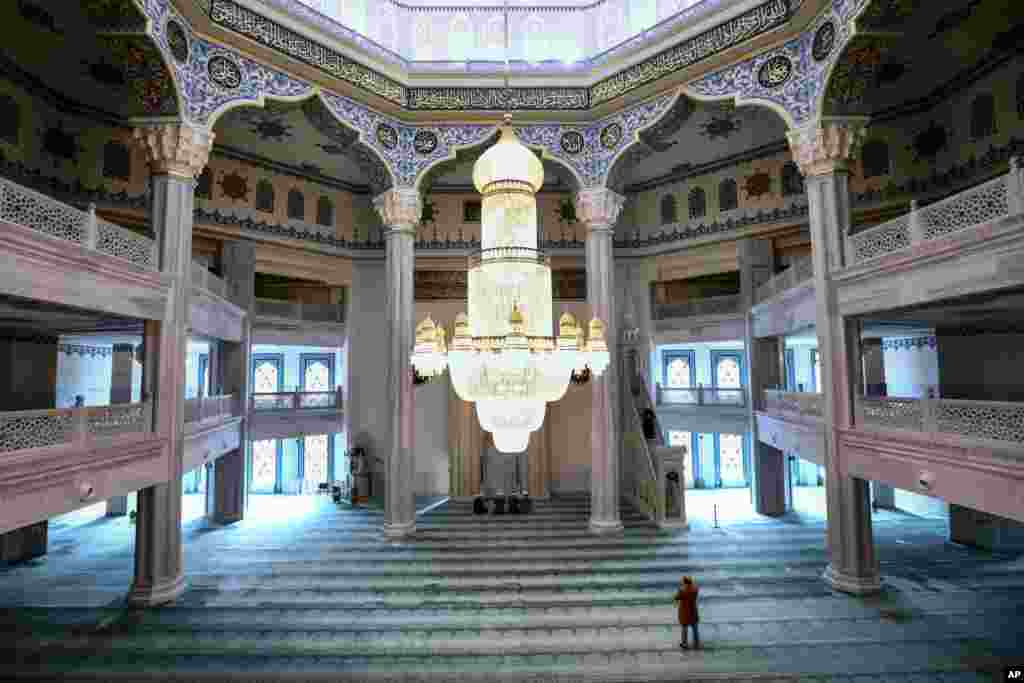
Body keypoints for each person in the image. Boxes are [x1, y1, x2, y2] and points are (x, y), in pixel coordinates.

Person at [673, 576, 700, 649]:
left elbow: (676, 597)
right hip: (693, 611)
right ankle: (696, 643)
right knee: (695, 628)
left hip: (684, 612)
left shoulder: (682, 590)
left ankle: (685, 643)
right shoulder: (695, 589)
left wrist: (680, 589)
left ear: (684, 582)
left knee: (684, 628)